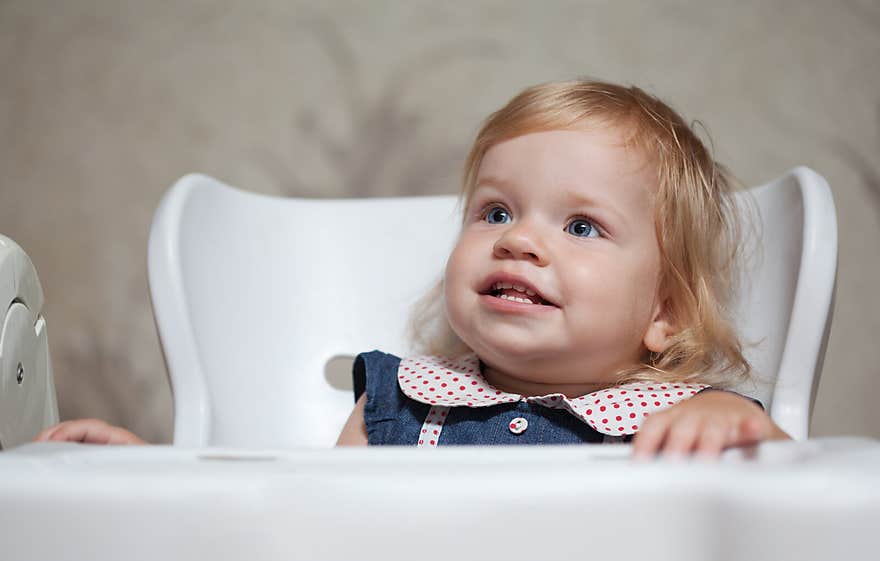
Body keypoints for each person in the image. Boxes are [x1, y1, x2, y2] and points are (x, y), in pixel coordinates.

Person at [36, 79, 789, 456]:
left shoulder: (686, 427)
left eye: (581, 225)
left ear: (665, 312)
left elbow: (802, 521)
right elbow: (295, 525)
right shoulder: (399, 403)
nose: (520, 241)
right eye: (496, 212)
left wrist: (744, 431)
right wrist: (152, 480)